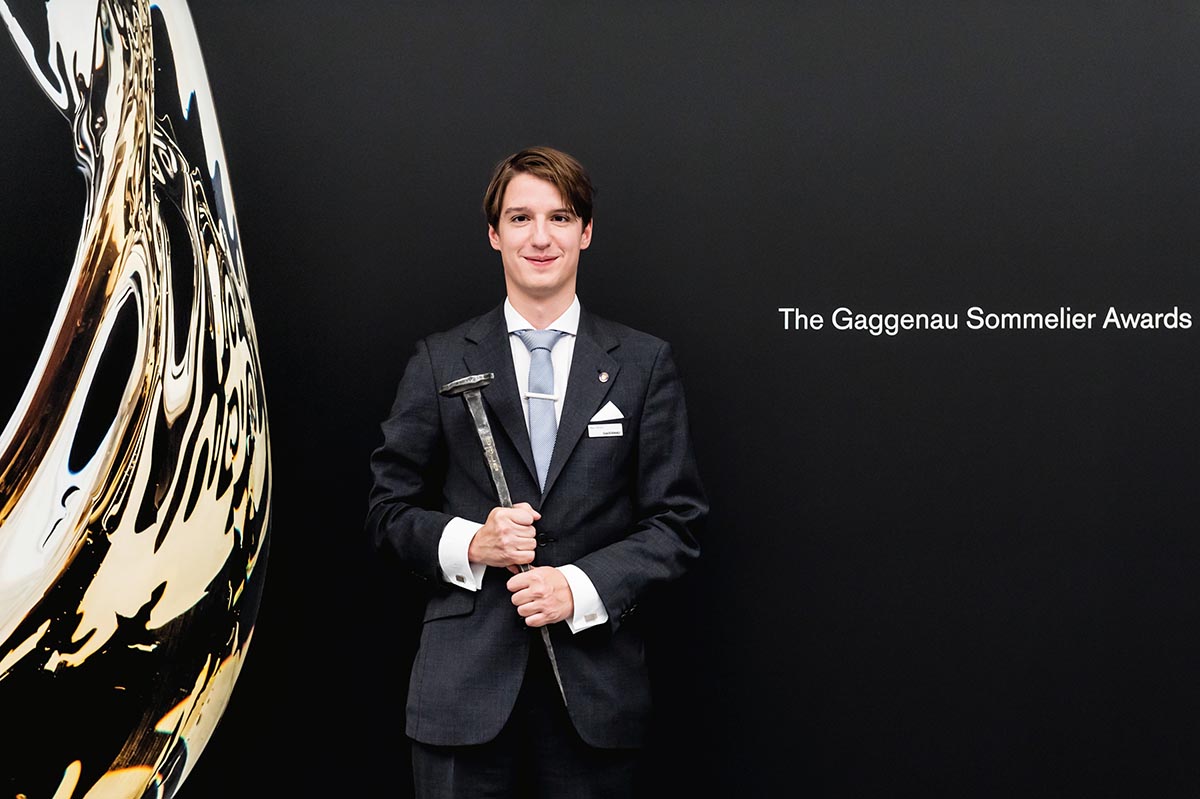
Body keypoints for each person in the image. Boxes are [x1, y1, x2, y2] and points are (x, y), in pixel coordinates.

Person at [366, 145, 707, 798]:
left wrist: (578, 586)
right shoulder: (440, 362)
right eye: (520, 218)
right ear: (494, 234)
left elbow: (677, 521)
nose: (540, 236)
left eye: (559, 216)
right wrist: (473, 542)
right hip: (461, 699)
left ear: (586, 230)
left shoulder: (643, 364)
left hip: (596, 697)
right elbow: (387, 511)